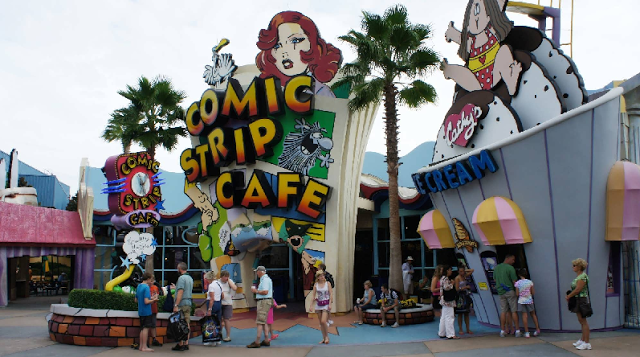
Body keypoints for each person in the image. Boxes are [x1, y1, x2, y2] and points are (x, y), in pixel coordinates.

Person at [442, 0, 522, 95]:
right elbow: (461, 40)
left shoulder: (492, 32)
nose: (475, 18)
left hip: (494, 74)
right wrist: (452, 33)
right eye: (471, 15)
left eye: (478, 11)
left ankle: (510, 82)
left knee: (504, 50)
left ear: (489, 17)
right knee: (460, 71)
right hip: (475, 81)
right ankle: (448, 70)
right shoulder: (470, 41)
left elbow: (499, 4)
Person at [255, 11, 342, 97]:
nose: (284, 52)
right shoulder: (266, 94)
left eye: (295, 41)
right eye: (277, 46)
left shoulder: (322, 93)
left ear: (313, 45)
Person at [566, 258, 591, 350]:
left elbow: (578, 289)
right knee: (581, 320)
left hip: (581, 299)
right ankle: (582, 339)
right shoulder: (579, 276)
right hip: (577, 299)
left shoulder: (582, 277)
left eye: (574, 265)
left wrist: (569, 296)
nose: (573, 267)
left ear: (579, 267)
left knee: (583, 321)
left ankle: (587, 342)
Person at [494, 254, 520, 337]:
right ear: (508, 259)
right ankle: (517, 331)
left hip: (501, 292)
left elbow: (494, 279)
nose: (513, 261)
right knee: (513, 311)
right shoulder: (510, 268)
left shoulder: (496, 268)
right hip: (510, 291)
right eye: (512, 259)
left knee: (503, 311)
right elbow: (514, 281)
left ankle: (502, 331)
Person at [247, 266, 273, 348]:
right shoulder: (266, 279)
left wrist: (256, 291)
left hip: (263, 301)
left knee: (260, 321)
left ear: (260, 271)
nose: (256, 273)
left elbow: (265, 292)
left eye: (257, 272)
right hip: (266, 301)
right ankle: (266, 339)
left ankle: (257, 341)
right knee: (263, 320)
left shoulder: (264, 280)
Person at [172, 262, 193, 351]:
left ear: (180, 269)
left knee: (180, 324)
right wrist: (175, 287)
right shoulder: (190, 278)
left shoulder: (181, 278)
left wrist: (176, 305)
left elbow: (180, 292)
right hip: (188, 302)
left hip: (182, 304)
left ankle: (180, 343)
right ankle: (186, 343)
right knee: (187, 323)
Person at [136, 272, 159, 352]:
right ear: (148, 279)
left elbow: (136, 299)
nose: (151, 281)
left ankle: (141, 346)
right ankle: (144, 347)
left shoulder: (139, 286)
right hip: (147, 311)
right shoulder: (146, 287)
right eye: (151, 279)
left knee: (142, 328)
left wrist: (151, 298)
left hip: (140, 311)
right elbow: (146, 301)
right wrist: (154, 300)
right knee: (146, 328)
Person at [514, 268, 540, 338]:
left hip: (521, 301)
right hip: (529, 300)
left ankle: (527, 332)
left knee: (524, 316)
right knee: (533, 314)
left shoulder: (517, 283)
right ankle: (537, 329)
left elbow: (517, 294)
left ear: (519, 275)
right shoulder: (530, 282)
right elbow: (533, 292)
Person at [310, 270, 333, 344]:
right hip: (319, 304)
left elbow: (331, 294)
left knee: (323, 321)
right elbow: (313, 296)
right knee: (321, 323)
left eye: (323, 275)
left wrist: (330, 304)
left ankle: (327, 336)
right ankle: (324, 337)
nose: (322, 277)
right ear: (318, 277)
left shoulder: (327, 283)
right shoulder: (316, 285)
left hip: (326, 304)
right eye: (320, 276)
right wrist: (311, 306)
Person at [438, 265, 459, 339]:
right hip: (448, 300)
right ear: (447, 270)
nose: (451, 271)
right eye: (450, 270)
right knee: (449, 316)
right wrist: (452, 284)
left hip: (444, 299)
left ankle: (442, 332)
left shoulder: (442, 278)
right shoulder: (446, 279)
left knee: (444, 316)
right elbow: (446, 288)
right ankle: (450, 334)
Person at [204, 271, 223, 346]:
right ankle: (218, 339)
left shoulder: (211, 286)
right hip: (218, 303)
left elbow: (212, 298)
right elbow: (222, 295)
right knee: (218, 321)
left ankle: (211, 339)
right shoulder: (219, 284)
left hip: (213, 304)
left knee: (210, 322)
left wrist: (209, 309)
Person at [454, 265, 475, 335]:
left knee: (466, 313)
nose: (461, 273)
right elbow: (456, 289)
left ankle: (468, 328)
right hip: (460, 296)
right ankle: (460, 328)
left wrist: (465, 271)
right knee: (460, 313)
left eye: (462, 271)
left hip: (466, 295)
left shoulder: (465, 276)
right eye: (460, 271)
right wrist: (465, 287)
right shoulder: (457, 278)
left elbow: (472, 270)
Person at [218, 270, 237, 342]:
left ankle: (228, 335)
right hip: (219, 302)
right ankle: (219, 334)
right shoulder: (218, 282)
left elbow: (235, 288)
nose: (226, 278)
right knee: (219, 319)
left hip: (228, 303)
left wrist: (229, 281)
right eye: (225, 277)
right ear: (221, 277)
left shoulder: (230, 281)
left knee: (227, 319)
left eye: (227, 277)